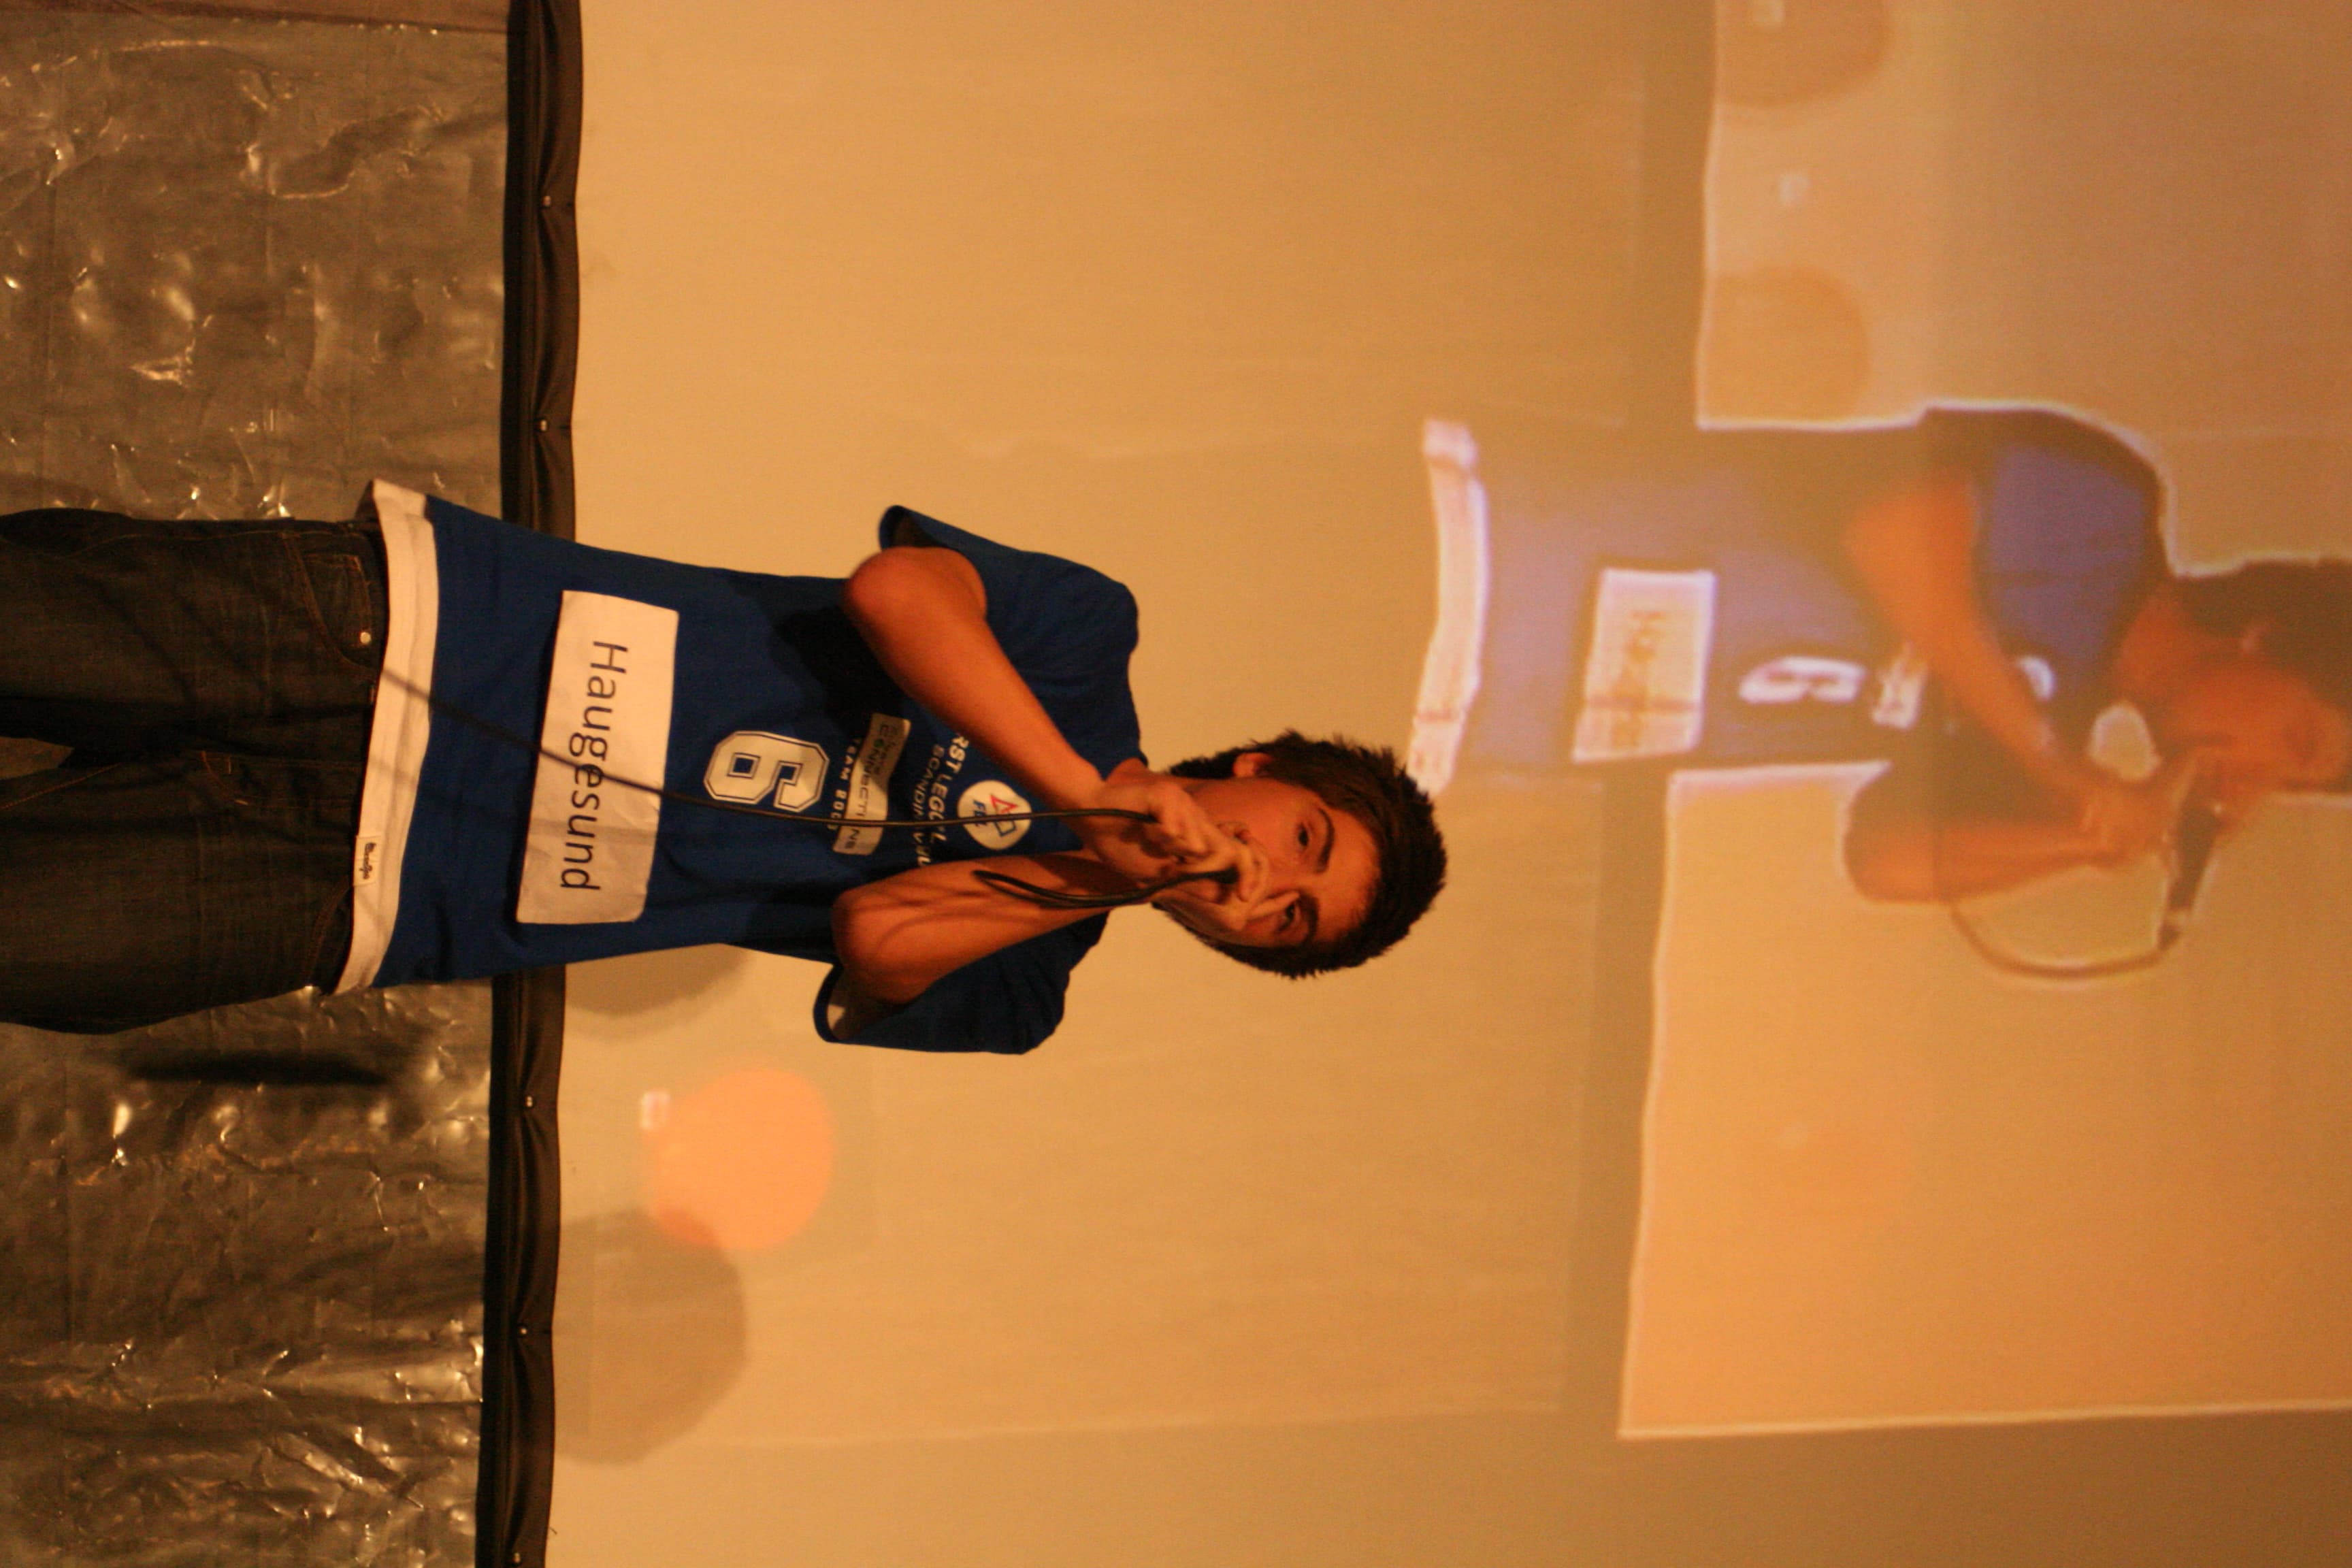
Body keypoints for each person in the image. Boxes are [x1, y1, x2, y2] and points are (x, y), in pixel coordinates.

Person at [0, 487, 1446, 1044]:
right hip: (392, 634)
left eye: (1286, 920)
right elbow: (898, 594)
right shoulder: (1085, 638)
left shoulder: (1025, 988)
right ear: (1263, 764)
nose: (1263, 884)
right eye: (1304, 845)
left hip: (356, 886)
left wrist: (1091, 873)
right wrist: (1077, 785)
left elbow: (877, 936)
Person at [1447, 406, 2352, 900]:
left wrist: (2089, 837)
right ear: (2267, 637)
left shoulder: (2059, 736)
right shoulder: (2109, 514)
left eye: (2290, 784)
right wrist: (2057, 765)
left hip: (1477, 720)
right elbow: (1891, 537)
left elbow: (1887, 861)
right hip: (1481, 547)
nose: (2259, 778)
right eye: (2295, 740)